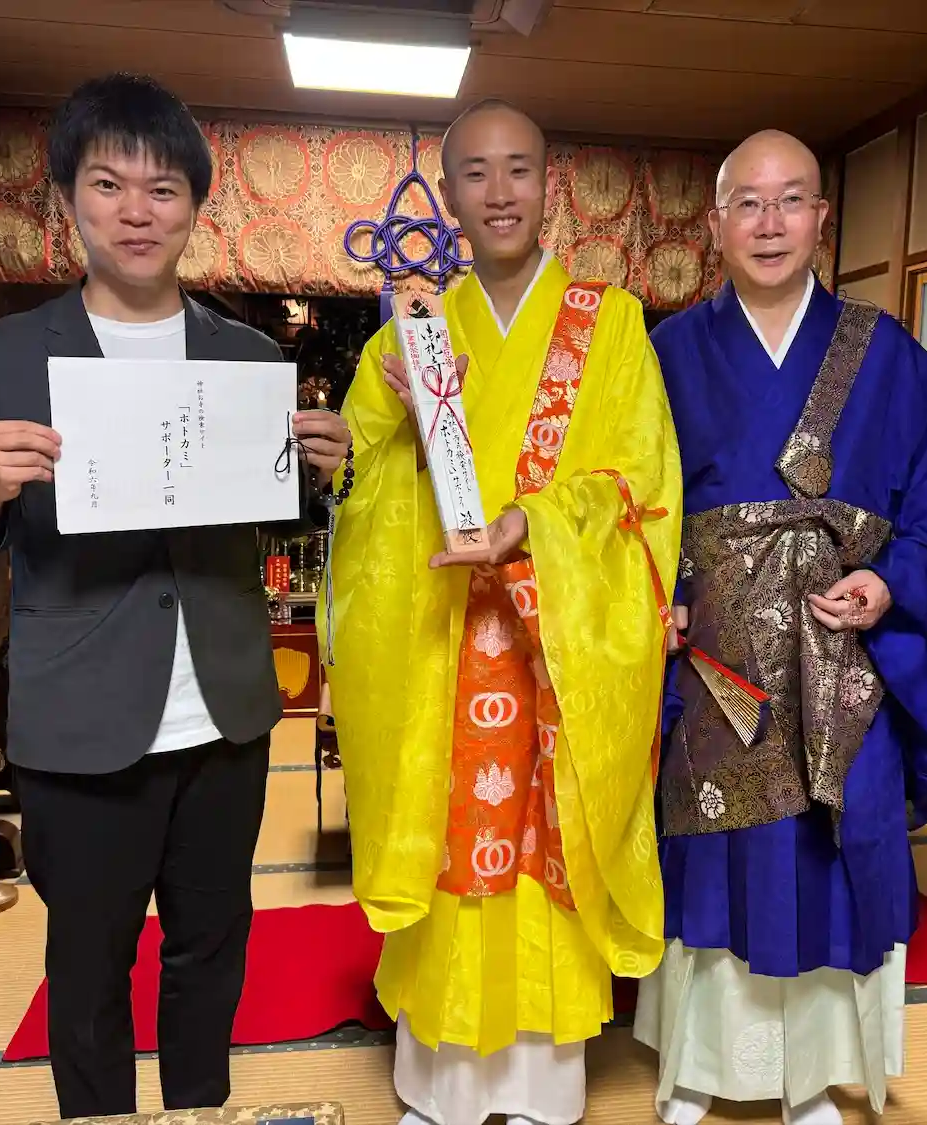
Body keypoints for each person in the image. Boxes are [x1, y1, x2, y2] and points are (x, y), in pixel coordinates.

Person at [0, 73, 351, 1119]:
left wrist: (322, 473)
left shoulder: (247, 355)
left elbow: (271, 514)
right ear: (67, 196)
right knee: (87, 967)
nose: (136, 211)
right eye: (108, 184)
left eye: (162, 189)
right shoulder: (4, 354)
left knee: (212, 951)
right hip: (80, 721)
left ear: (195, 207)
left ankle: (200, 1110)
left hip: (225, 715)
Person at [324, 99, 681, 1125]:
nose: (499, 192)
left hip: (555, 643)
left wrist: (532, 525)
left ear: (547, 184)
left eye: (518, 169)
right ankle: (440, 1085)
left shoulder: (610, 323)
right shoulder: (413, 334)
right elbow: (362, 487)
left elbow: (642, 481)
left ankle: (538, 1089)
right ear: (448, 197)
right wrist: (377, 431)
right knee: (449, 846)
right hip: (440, 640)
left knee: (545, 850)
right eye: (475, 173)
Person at [633, 130, 927, 1125]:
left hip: (845, 660)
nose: (770, 223)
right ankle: (703, 1066)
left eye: (791, 200)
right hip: (718, 661)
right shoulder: (667, 356)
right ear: (715, 223)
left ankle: (813, 1077)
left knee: (835, 857)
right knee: (714, 854)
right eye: (748, 202)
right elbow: (627, 500)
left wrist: (888, 582)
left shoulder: (891, 358)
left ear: (823, 218)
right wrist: (652, 596)